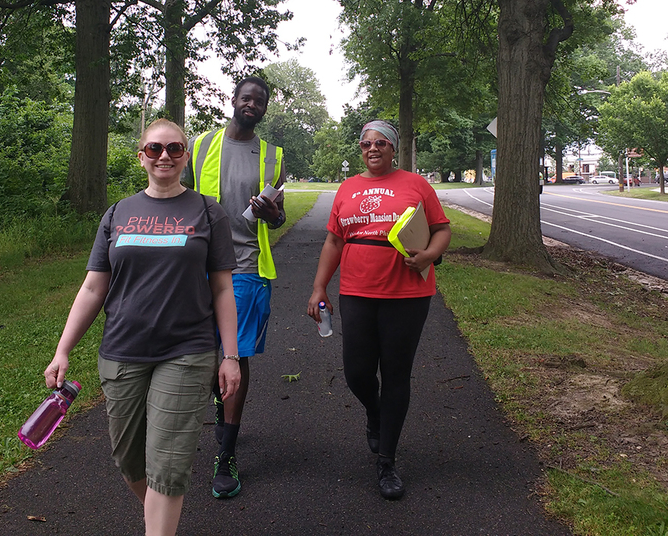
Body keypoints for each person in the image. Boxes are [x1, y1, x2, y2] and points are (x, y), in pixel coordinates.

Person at [44, 118, 240, 536]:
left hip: (187, 351)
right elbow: (94, 287)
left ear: (185, 156)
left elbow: (223, 289)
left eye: (174, 148)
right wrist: (62, 350)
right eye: (154, 149)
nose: (164, 156)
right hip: (122, 351)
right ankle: (159, 521)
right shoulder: (118, 213)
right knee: (130, 461)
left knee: (167, 466)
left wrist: (231, 355)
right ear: (141, 157)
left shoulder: (208, 212)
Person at [306, 120, 451, 501]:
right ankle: (375, 411)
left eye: (381, 143)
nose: (373, 148)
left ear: (393, 148)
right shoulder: (348, 188)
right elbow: (334, 241)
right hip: (357, 291)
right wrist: (319, 286)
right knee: (356, 372)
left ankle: (386, 461)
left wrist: (430, 256)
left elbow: (441, 229)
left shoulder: (416, 185)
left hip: (407, 293)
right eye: (366, 143)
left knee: (396, 373)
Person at [184, 75, 286, 498]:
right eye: (246, 97)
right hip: (195, 268)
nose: (252, 104)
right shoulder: (200, 145)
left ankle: (225, 455)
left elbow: (279, 217)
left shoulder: (272, 156)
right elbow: (178, 197)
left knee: (235, 355)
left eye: (259, 101)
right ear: (233, 100)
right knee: (203, 356)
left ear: (264, 108)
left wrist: (272, 215)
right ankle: (222, 409)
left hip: (245, 268)